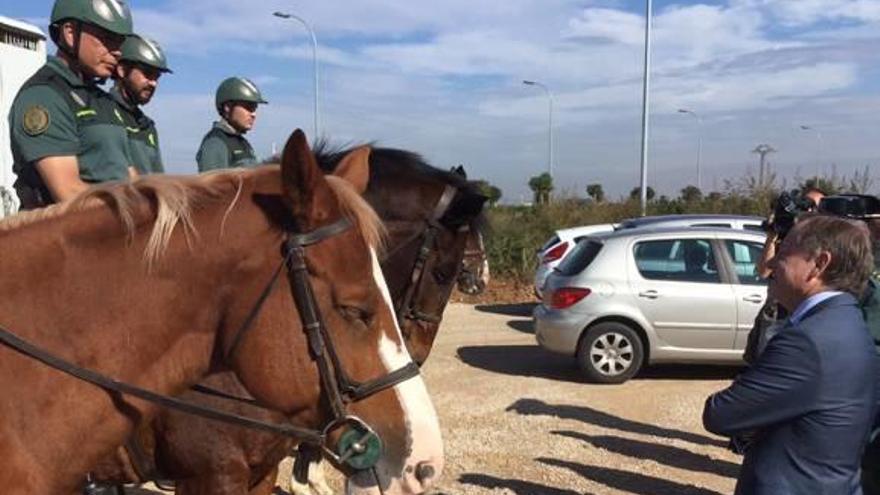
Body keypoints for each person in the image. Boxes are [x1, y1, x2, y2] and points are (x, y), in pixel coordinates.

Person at [703, 215, 879, 495]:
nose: (771, 263)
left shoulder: (808, 339)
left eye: (784, 253)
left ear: (819, 264)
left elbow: (721, 413)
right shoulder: (848, 321)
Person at [9, 0, 135, 210]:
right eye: (106, 39)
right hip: (60, 237)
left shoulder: (104, 102)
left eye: (119, 42)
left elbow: (130, 176)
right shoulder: (44, 96)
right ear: (70, 33)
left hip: (116, 233)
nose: (117, 52)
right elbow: (68, 193)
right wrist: (139, 210)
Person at [744, 186, 826, 363]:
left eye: (815, 207)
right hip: (778, 311)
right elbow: (764, 271)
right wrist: (773, 234)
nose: (809, 211)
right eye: (805, 205)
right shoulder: (787, 238)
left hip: (806, 311)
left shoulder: (827, 241)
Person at [110, 34, 171, 174]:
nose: (153, 83)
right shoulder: (102, 115)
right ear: (122, 70)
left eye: (157, 77)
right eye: (148, 74)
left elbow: (158, 179)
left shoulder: (147, 126)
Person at [196, 77, 267, 171]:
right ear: (228, 107)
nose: (253, 114)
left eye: (255, 109)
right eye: (248, 108)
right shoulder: (216, 143)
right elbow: (213, 184)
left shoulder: (242, 143)